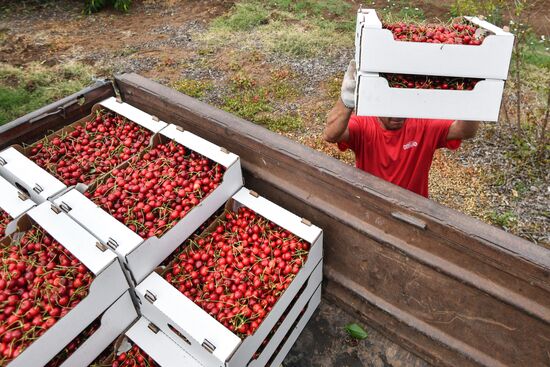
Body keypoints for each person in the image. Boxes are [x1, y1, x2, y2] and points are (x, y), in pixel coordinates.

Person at [324, 61, 480, 198]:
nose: (397, 116)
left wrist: (473, 97)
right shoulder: (364, 124)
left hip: (414, 210)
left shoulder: (423, 124)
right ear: (377, 105)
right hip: (372, 202)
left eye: (402, 109)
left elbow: (465, 131)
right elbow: (330, 134)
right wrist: (347, 99)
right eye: (390, 109)